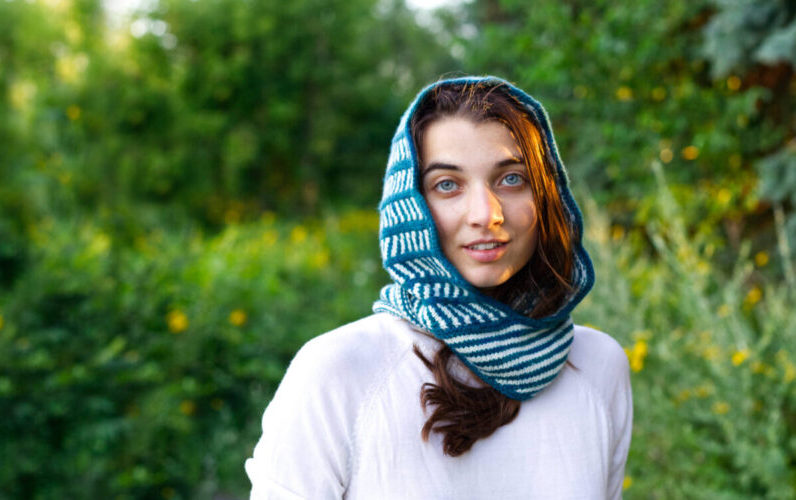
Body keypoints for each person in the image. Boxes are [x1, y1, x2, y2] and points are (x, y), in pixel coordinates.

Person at [245, 76, 632, 499]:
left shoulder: (599, 366)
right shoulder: (337, 373)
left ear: (546, 195)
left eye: (511, 179)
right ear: (410, 204)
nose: (485, 214)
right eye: (447, 185)